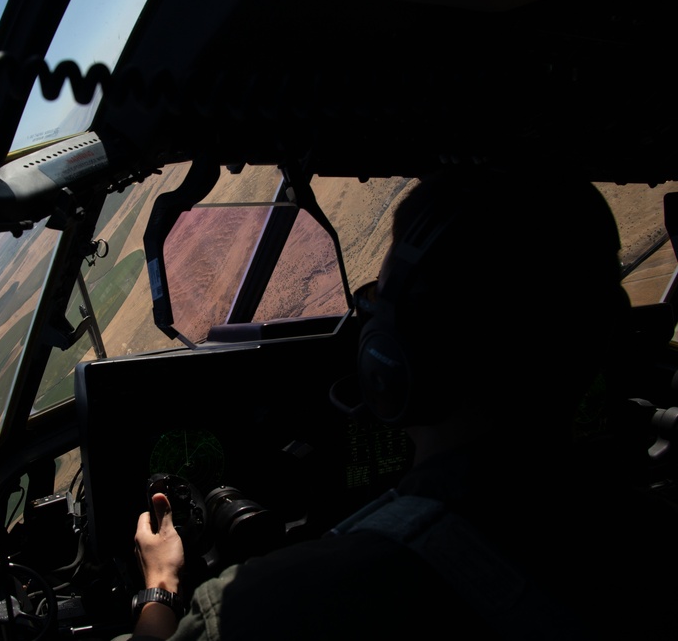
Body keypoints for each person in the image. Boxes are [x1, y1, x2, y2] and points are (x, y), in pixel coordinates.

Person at [125, 167, 678, 640]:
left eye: (376, 304)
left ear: (394, 352)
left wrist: (160, 587)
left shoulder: (292, 603)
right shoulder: (651, 530)